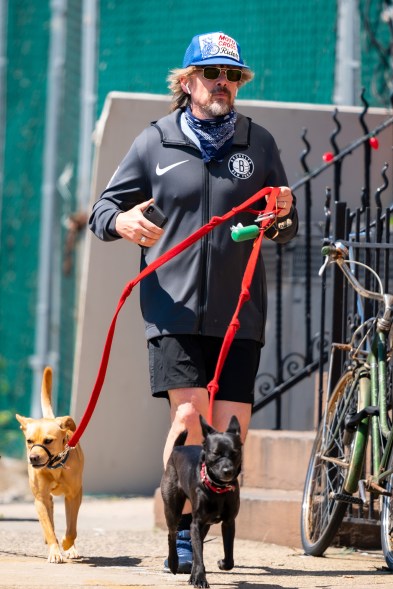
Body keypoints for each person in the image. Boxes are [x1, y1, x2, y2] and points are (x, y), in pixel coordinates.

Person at [89, 31, 298, 573]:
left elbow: (284, 220)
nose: (223, 84)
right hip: (172, 307)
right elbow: (102, 211)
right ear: (187, 82)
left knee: (231, 432)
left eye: (232, 76)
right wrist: (123, 221)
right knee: (189, 417)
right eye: (212, 74)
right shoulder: (154, 141)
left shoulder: (259, 143)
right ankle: (181, 538)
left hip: (240, 311)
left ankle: (209, 529)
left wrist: (280, 221)